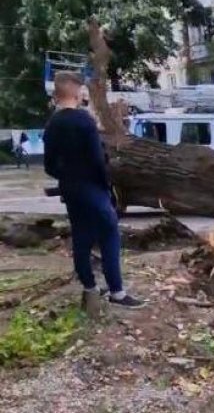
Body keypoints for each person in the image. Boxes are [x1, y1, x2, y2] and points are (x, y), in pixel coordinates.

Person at [43, 71, 143, 309]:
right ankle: (117, 293)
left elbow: (49, 166)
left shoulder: (52, 125)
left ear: (57, 95)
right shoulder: (84, 121)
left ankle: (90, 288)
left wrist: (67, 177)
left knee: (81, 237)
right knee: (109, 232)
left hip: (70, 190)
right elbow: (98, 160)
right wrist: (106, 184)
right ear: (76, 94)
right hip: (93, 188)